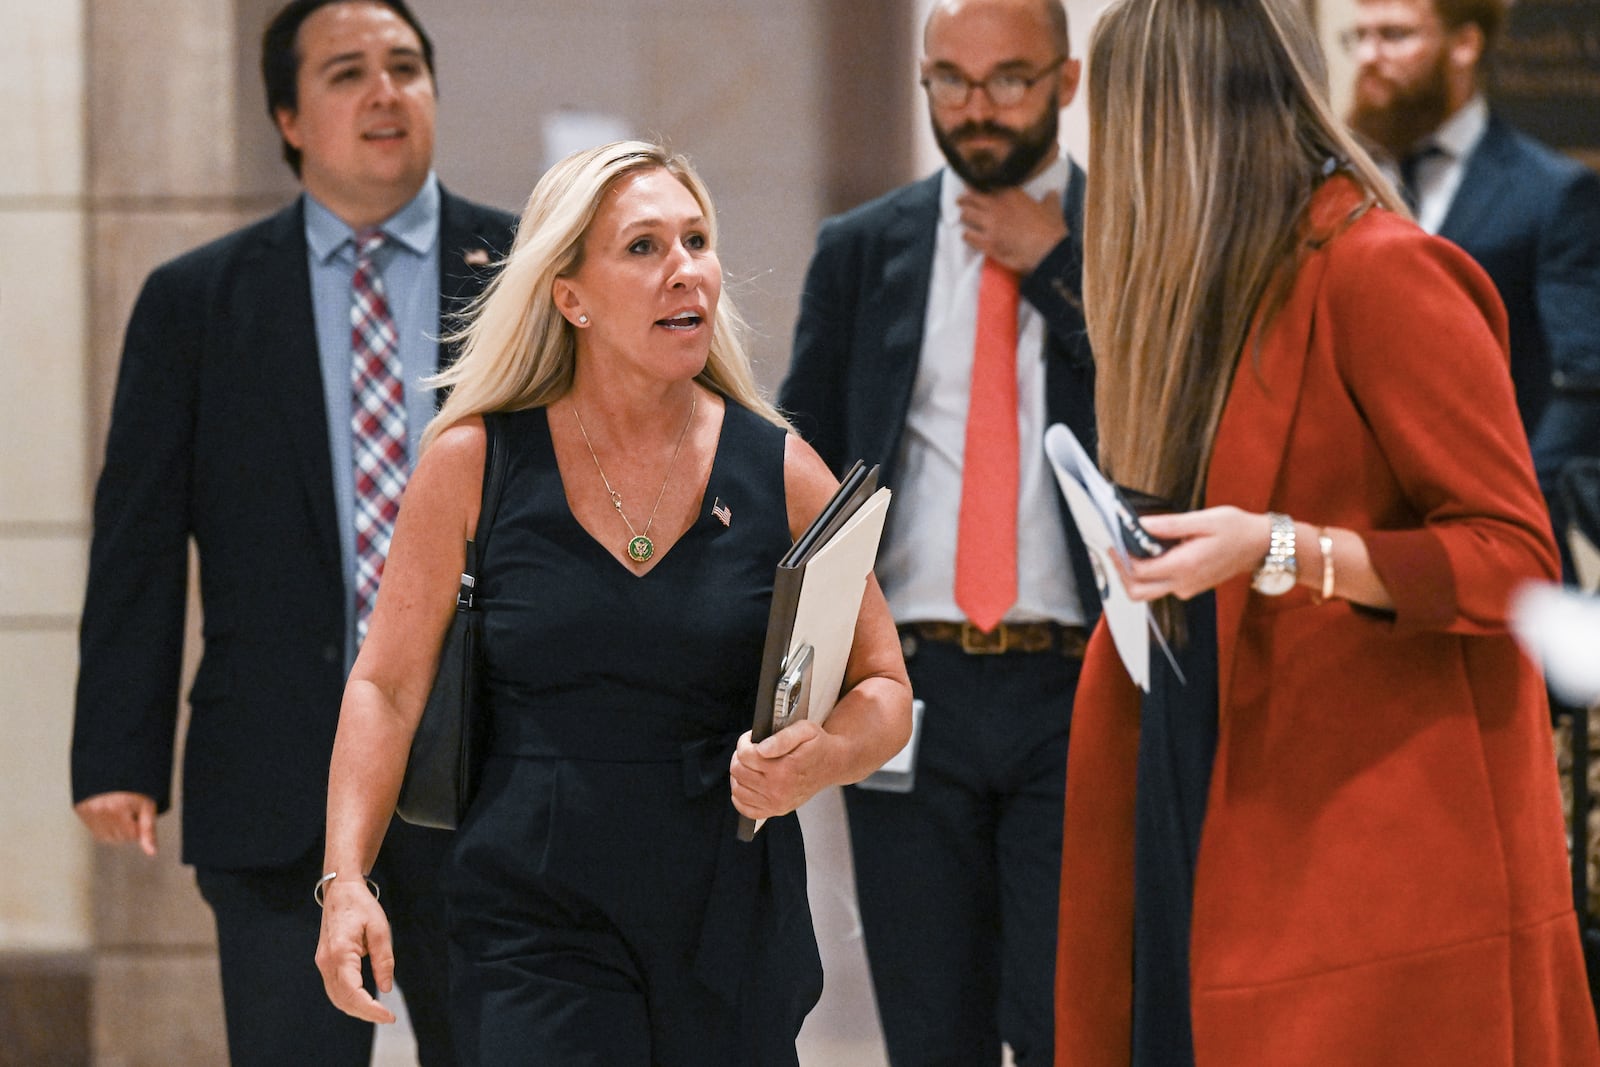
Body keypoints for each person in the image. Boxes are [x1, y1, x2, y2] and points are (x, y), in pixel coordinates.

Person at [1053, 0, 1600, 1064]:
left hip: (1366, 855)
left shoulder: (1377, 270)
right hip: (1206, 779)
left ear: (1181, 125)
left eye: (1121, 122)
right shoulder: (1224, 294)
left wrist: (1281, 548)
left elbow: (1513, 555)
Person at [312, 140, 913, 1066]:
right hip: (533, 906)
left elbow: (884, 687)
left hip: (726, 902)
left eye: (697, 240)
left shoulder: (780, 467)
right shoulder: (475, 463)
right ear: (571, 296)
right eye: (643, 247)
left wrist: (821, 758)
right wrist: (346, 876)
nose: (686, 271)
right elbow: (386, 687)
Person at [69, 1, 514, 1062]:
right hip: (276, 772)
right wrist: (115, 748)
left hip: (494, 758)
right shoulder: (197, 303)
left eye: (406, 66)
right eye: (347, 71)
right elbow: (136, 535)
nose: (384, 92)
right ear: (288, 115)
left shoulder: (527, 279)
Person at [778, 0, 1098, 1061]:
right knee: (928, 1020)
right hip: (909, 691)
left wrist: (1058, 267)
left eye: (1008, 78)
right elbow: (806, 468)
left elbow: (1171, 423)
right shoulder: (863, 249)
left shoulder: (1131, 237)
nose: (977, 108)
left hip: (1081, 684)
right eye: (949, 80)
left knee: (1069, 1018)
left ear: (1067, 79)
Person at [1344, 0, 1600, 556]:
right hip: (1348, 541)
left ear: (1464, 44)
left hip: (1494, 541)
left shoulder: (1552, 193)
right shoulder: (1333, 183)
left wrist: (1515, 508)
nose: (1368, 56)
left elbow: (1584, 380)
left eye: (1394, 35)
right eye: (1358, 37)